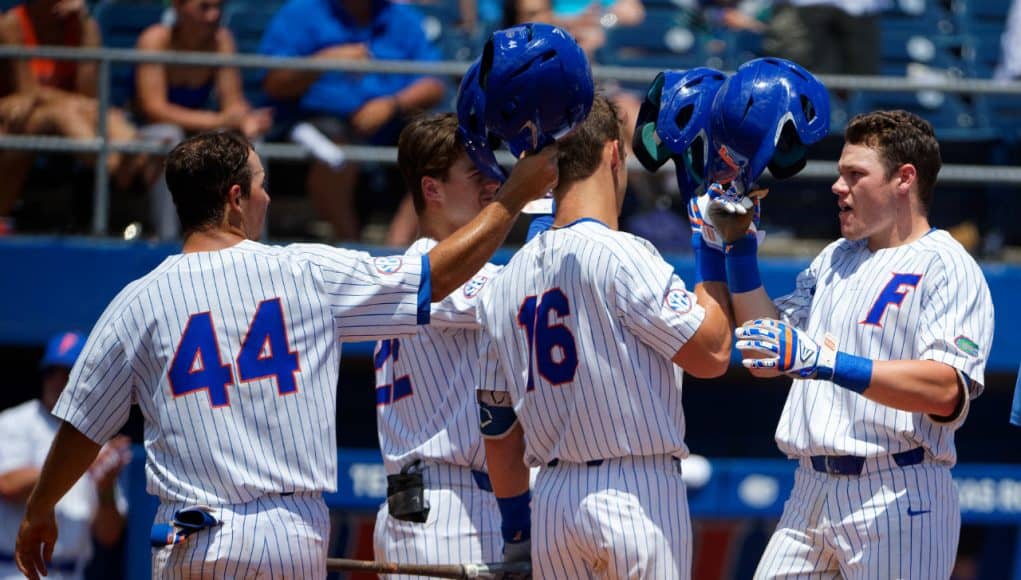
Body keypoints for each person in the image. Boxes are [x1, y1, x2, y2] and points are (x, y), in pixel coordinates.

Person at [13, 130, 557, 580]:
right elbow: (432, 277)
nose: (268, 197)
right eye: (261, 185)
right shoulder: (302, 272)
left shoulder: (137, 299)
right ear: (234, 198)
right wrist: (513, 198)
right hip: (283, 532)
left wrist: (40, 508)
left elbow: (82, 425)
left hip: (184, 536)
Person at [716, 109, 994, 578]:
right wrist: (739, 251)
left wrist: (825, 361)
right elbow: (767, 356)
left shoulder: (948, 265)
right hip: (810, 489)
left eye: (854, 174)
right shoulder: (835, 258)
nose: (837, 186)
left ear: (904, 179)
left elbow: (947, 390)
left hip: (898, 491)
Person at [476, 94, 734, 578]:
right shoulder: (623, 253)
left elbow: (498, 430)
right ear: (615, 154)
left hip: (551, 500)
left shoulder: (502, 282)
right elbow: (713, 353)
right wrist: (712, 246)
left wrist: (517, 532)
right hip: (635, 492)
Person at [372, 112, 506, 574]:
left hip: (429, 505)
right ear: (432, 189)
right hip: (450, 509)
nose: (493, 183)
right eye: (476, 174)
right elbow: (534, 297)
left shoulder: (407, 272)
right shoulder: (427, 267)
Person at [259, 0, 445, 244]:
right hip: (316, 122)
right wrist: (324, 60)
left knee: (437, 151)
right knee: (335, 151)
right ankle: (351, 245)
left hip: (390, 122)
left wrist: (392, 104)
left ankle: (395, 250)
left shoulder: (403, 17)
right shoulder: (300, 12)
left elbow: (435, 83)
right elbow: (274, 83)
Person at [0, 0, 151, 228]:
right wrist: (77, 102)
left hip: (66, 110)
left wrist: (84, 27)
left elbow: (89, 92)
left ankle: (134, 150)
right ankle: (115, 165)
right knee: (65, 112)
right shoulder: (11, 24)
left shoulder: (81, 26)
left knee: (97, 112)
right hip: (14, 112)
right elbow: (28, 92)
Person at [134, 0, 274, 239]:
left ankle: (250, 237)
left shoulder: (221, 41)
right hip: (145, 131)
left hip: (196, 130)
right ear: (178, 7)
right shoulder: (155, 40)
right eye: (204, 7)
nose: (213, 15)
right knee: (169, 137)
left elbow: (232, 102)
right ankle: (167, 237)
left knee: (248, 145)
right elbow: (154, 108)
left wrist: (245, 120)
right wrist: (220, 119)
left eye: (218, 7)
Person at [0, 331, 130, 580]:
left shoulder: (96, 439)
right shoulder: (13, 421)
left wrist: (106, 487)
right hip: (15, 570)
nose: (58, 381)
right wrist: (75, 462)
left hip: (72, 571)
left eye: (68, 372)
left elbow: (108, 534)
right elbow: (7, 484)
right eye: (52, 371)